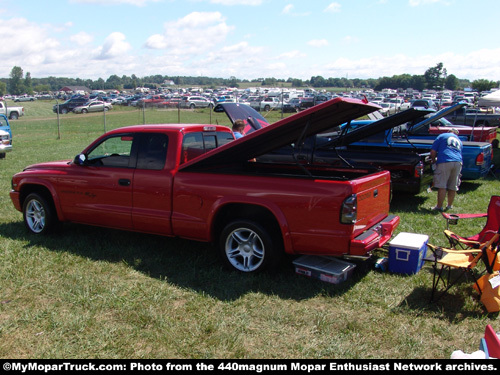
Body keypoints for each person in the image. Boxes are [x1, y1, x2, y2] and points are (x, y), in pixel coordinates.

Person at [430, 128, 463, 212]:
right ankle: (449, 205)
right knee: (453, 185)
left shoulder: (442, 136)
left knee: (442, 185)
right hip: (458, 162)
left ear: (449, 131)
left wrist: (433, 161)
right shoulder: (459, 141)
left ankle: (439, 206)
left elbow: (433, 151)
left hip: (445, 160)